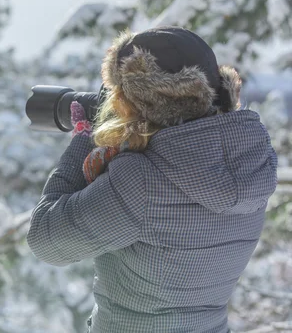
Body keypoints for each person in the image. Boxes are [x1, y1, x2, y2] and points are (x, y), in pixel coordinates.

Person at [26, 26, 278, 333]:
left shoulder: (142, 182)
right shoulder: (251, 161)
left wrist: (90, 135)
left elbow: (45, 240)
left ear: (135, 101)